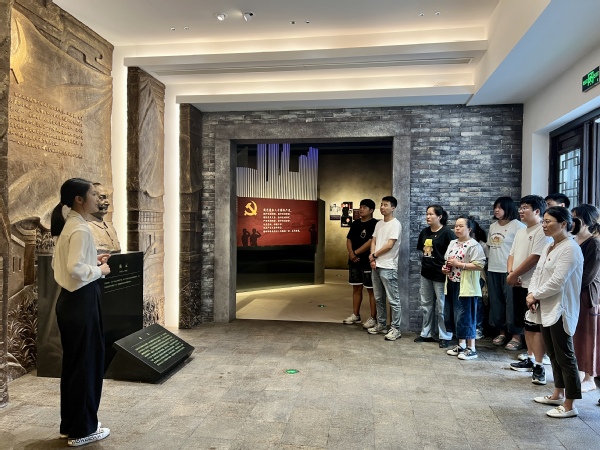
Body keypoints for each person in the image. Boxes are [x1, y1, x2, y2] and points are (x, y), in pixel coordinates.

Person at [51, 178, 111, 445]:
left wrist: (91, 261)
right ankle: (83, 430)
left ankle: (72, 425)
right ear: (79, 199)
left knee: (75, 366)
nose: (97, 199)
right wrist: (100, 270)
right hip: (82, 302)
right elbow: (74, 269)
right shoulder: (81, 229)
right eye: (93, 194)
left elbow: (61, 265)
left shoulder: (70, 225)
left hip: (70, 301)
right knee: (86, 366)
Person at [528, 207, 583, 418]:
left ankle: (570, 404)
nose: (544, 225)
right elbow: (538, 273)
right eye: (543, 221)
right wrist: (531, 294)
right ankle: (558, 394)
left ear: (564, 224)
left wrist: (535, 295)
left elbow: (558, 281)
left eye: (548, 221)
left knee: (565, 356)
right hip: (545, 305)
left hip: (561, 308)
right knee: (552, 353)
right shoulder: (549, 246)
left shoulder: (571, 248)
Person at [507, 195, 552, 384]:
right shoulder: (521, 231)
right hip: (518, 283)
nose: (521, 211)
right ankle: (530, 357)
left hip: (533, 286)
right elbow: (511, 254)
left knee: (535, 326)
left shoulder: (542, 231)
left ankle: (539, 364)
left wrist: (514, 275)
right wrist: (511, 273)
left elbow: (535, 257)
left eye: (525, 207)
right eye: (520, 207)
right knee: (526, 323)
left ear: (537, 211)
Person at [443, 216, 486, 360]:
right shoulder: (453, 243)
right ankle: (461, 345)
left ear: (469, 229)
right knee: (456, 315)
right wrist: (446, 268)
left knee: (467, 315)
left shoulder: (474, 245)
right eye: (456, 226)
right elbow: (447, 260)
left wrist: (459, 265)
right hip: (452, 282)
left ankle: (471, 348)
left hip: (467, 286)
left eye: (461, 226)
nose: (457, 228)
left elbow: (479, 265)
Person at [487, 197, 525, 351]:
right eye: (495, 207)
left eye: (500, 207)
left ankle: (516, 337)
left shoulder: (518, 226)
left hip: (510, 271)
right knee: (496, 303)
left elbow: (520, 251)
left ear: (508, 208)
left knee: (512, 304)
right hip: (493, 269)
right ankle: (501, 333)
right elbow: (490, 247)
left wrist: (517, 272)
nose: (496, 210)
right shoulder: (493, 226)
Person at [415, 205, 456, 348]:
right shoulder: (424, 232)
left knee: (442, 306)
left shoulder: (447, 233)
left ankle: (445, 335)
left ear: (439, 216)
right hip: (426, 273)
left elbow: (453, 254)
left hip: (441, 275)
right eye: (427, 214)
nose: (428, 217)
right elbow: (422, 251)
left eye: (431, 214)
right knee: (426, 305)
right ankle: (426, 333)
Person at [571, 204, 600, 393]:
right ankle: (580, 373)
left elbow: (588, 275)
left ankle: (590, 378)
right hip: (574, 293)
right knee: (578, 336)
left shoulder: (594, 244)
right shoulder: (574, 240)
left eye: (575, 217)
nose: (571, 221)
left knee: (589, 336)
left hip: (587, 296)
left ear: (585, 221)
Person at [367, 196, 402, 341]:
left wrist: (374, 255)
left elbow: (389, 245)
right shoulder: (379, 224)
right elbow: (374, 241)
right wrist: (372, 258)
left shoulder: (395, 224)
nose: (382, 207)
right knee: (378, 298)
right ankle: (381, 324)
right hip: (376, 265)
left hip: (388, 266)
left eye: (385, 205)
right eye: (381, 204)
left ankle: (396, 329)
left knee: (393, 300)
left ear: (393, 208)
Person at [343, 199, 378, 327]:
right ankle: (356, 315)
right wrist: (351, 253)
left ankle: (373, 318)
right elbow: (349, 239)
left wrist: (355, 253)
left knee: (371, 290)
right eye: (360, 207)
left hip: (367, 261)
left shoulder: (375, 224)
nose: (361, 209)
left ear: (371, 210)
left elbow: (371, 241)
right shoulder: (355, 223)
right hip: (354, 261)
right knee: (356, 288)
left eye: (364, 207)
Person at [87, 183, 121, 254]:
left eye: (107, 198)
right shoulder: (85, 227)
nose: (107, 203)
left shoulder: (110, 227)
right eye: (102, 198)